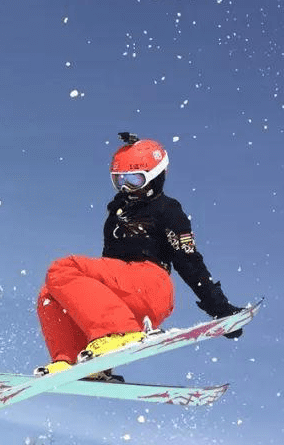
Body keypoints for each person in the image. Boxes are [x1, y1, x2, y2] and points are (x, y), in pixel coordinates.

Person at [35, 133, 243, 380]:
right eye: (119, 180)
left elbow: (190, 262)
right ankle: (73, 359)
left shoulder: (167, 209)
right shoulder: (117, 214)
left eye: (134, 180)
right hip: (125, 291)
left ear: (156, 177)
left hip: (151, 283)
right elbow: (104, 274)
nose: (125, 188)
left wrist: (219, 309)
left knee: (62, 269)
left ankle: (119, 332)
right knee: (50, 293)